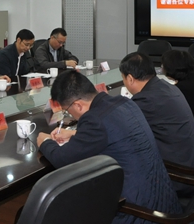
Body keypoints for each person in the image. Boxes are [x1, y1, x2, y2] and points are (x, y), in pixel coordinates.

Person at [36, 70, 181, 223]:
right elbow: (113, 131)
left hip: (137, 213)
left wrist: (46, 141)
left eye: (67, 111)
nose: (70, 115)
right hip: (164, 203)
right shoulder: (124, 102)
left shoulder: (94, 120)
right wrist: (74, 134)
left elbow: (62, 159)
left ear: (78, 105)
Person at [120, 52, 194, 195]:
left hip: (179, 176)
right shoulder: (167, 87)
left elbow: (120, 127)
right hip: (193, 166)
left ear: (130, 78)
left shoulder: (146, 99)